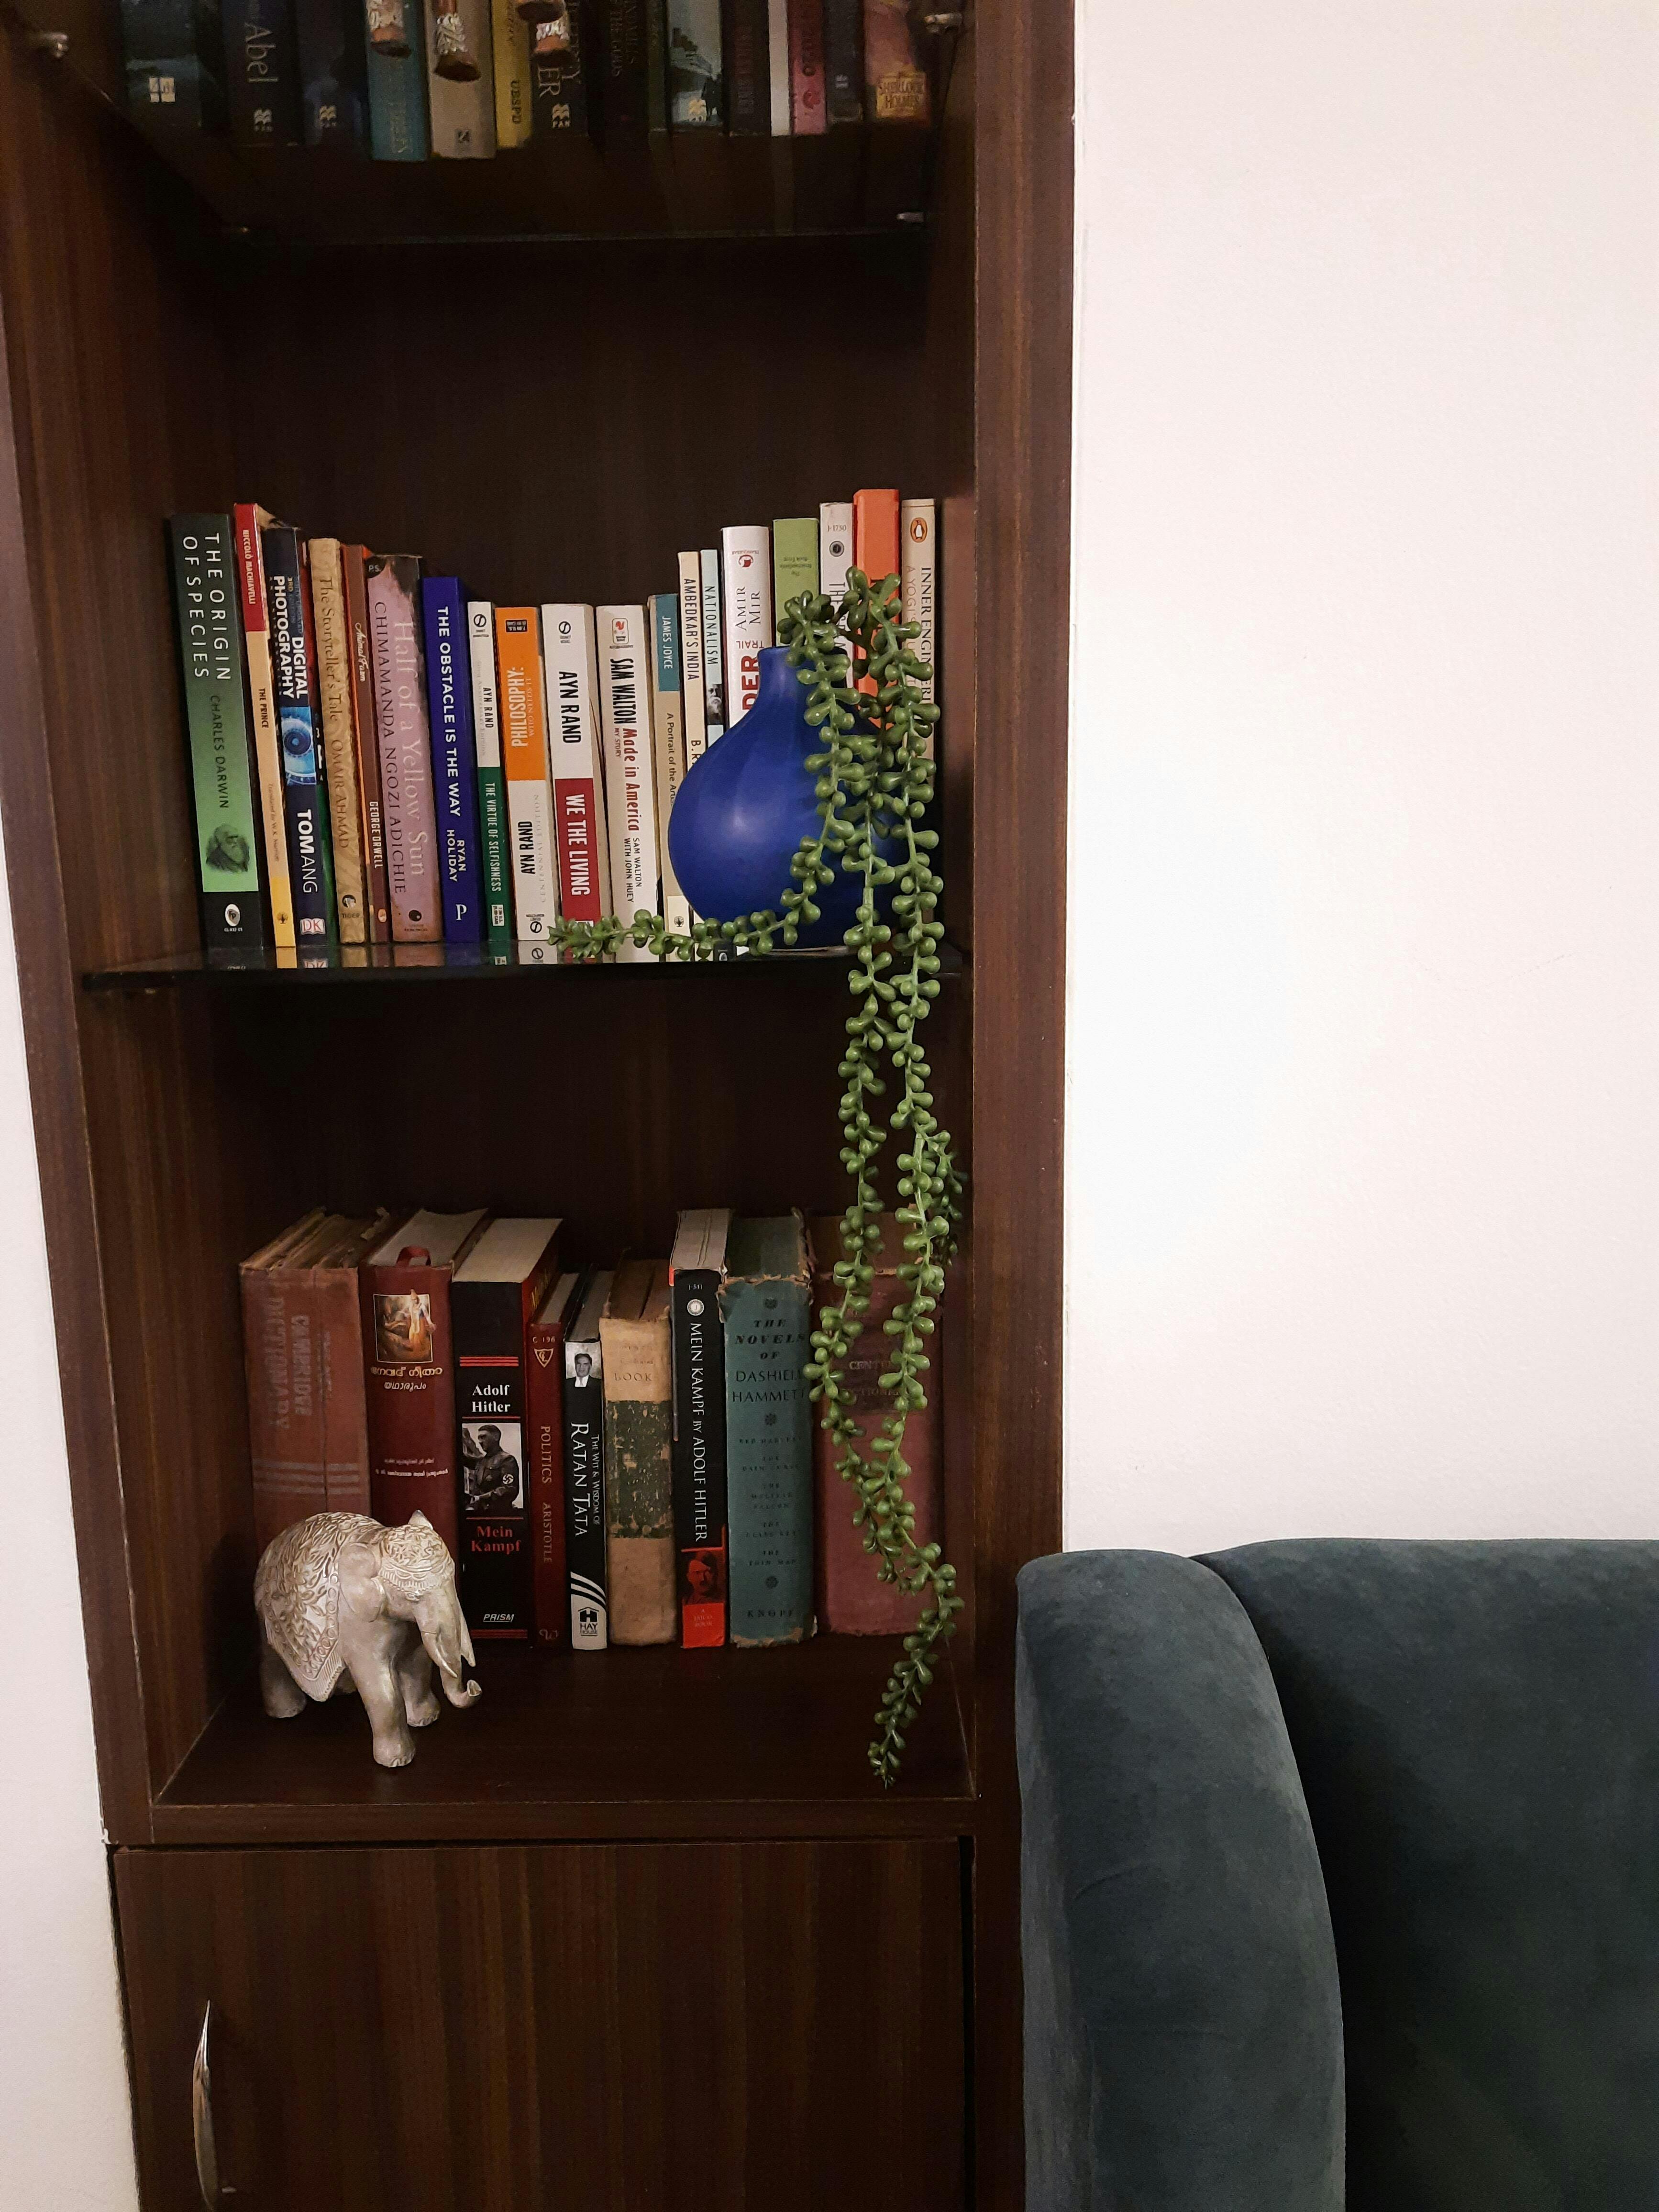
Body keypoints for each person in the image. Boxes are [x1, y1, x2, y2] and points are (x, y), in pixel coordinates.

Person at [464, 1424, 520, 1511]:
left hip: (499, 1513)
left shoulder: (507, 1460)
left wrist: (480, 1498)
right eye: (479, 1438)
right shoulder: (481, 1461)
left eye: (483, 1437)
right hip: (479, 1511)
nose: (480, 1442)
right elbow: (463, 1458)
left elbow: (509, 1490)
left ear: (496, 1437)